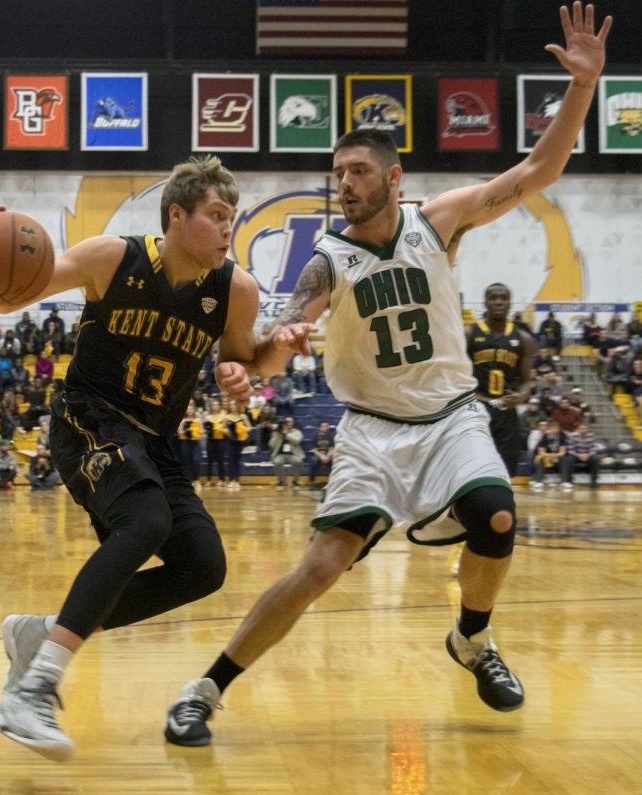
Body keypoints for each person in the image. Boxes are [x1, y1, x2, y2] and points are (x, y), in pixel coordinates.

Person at [163, 4, 612, 746]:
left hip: (450, 415)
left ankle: (472, 638)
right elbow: (275, 348)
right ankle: (205, 688)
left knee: (497, 514)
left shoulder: (440, 220)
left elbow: (541, 168)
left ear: (393, 178)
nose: (344, 183)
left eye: (358, 171)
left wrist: (583, 87)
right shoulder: (324, 262)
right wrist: (259, 364)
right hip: (370, 429)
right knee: (321, 567)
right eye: (337, 173)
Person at [0, 154, 262, 760]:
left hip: (155, 440)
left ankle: (39, 636)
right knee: (146, 522)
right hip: (87, 414)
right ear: (177, 215)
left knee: (203, 566)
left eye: (234, 217)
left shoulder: (235, 290)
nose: (229, 229)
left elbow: (243, 357)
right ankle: (33, 691)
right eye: (217, 216)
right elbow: (16, 294)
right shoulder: (113, 257)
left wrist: (237, 373)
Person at [466, 283, 535, 476]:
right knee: (472, 468)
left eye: (503, 298)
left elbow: (528, 381)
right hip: (476, 407)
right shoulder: (469, 333)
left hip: (506, 411)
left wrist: (521, 396)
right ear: (485, 302)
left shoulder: (523, 338)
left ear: (510, 303)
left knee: (505, 471)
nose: (498, 302)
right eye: (493, 298)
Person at [532, 420, 570, 491]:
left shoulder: (561, 438)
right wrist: (550, 455)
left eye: (556, 429)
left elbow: (563, 452)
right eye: (552, 428)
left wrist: (556, 456)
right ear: (549, 429)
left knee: (565, 459)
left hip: (558, 458)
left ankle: (565, 481)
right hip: (547, 458)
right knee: (540, 458)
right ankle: (539, 481)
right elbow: (541, 452)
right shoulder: (545, 437)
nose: (554, 430)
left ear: (558, 429)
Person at [270, 415, 304, 490]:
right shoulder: (277, 432)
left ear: (293, 423)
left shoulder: (296, 431)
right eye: (287, 421)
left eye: (290, 421)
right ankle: (282, 481)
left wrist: (286, 434)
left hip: (293, 454)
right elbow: (272, 445)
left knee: (298, 461)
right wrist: (276, 432)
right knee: (277, 462)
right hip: (280, 454)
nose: (288, 423)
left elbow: (297, 441)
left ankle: (295, 481)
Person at [564, 422, 599, 488]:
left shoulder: (591, 436)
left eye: (585, 429)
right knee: (569, 458)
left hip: (587, 455)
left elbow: (593, 449)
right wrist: (579, 455)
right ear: (578, 429)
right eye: (581, 429)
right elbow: (570, 449)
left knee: (595, 458)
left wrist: (587, 455)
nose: (583, 430)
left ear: (587, 430)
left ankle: (593, 482)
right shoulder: (572, 436)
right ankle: (569, 481)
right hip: (576, 455)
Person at [307, 420, 334, 489]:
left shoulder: (330, 436)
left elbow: (331, 448)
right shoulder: (315, 436)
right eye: (324, 426)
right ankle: (311, 482)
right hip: (318, 455)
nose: (325, 428)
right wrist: (321, 456)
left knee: (335, 462)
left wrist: (328, 456)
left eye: (327, 426)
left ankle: (333, 482)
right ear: (320, 427)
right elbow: (314, 450)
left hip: (327, 455)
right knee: (314, 461)